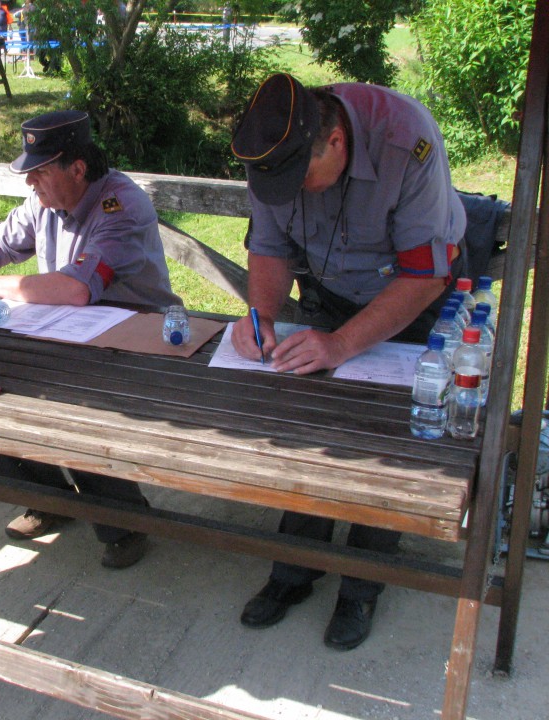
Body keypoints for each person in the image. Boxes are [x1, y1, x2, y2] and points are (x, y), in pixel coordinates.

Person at [229, 73, 467, 651]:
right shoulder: (275, 148)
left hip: (409, 303)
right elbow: (269, 247)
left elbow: (426, 274)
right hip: (327, 292)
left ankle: (362, 585)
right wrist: (260, 315)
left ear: (334, 142)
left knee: (383, 443)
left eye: (301, 181)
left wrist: (340, 345)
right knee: (307, 429)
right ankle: (296, 567)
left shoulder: (403, 139)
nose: (295, 192)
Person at [0, 110, 181, 569]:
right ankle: (48, 501)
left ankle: (125, 525)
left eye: (38, 172)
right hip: (63, 327)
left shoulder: (121, 205)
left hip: (135, 336)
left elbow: (77, 288)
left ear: (77, 168)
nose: (30, 183)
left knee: (73, 408)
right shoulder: (44, 200)